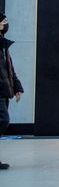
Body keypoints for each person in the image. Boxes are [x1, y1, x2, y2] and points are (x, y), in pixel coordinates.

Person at [0, 13, 24, 170]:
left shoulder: (3, 45)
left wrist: (17, 87)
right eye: (4, 21)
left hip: (4, 90)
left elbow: (9, 67)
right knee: (3, 120)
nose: (6, 24)